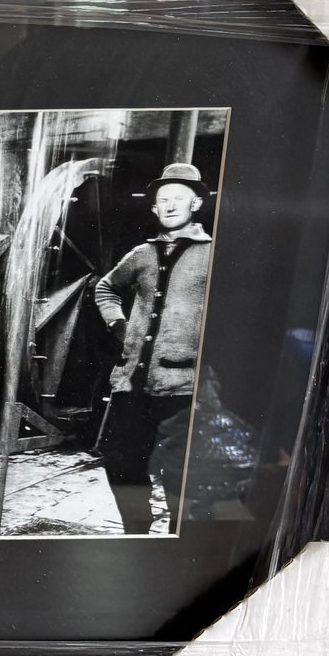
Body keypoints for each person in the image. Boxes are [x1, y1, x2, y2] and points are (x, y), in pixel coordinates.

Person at [92, 162, 214, 535]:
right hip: (132, 384)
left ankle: (178, 540)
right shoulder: (142, 254)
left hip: (184, 387)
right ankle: (136, 530)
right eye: (163, 200)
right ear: (154, 208)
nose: (171, 205)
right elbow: (105, 288)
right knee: (120, 460)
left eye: (179, 198)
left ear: (195, 204)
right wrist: (119, 325)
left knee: (182, 472)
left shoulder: (214, 254)